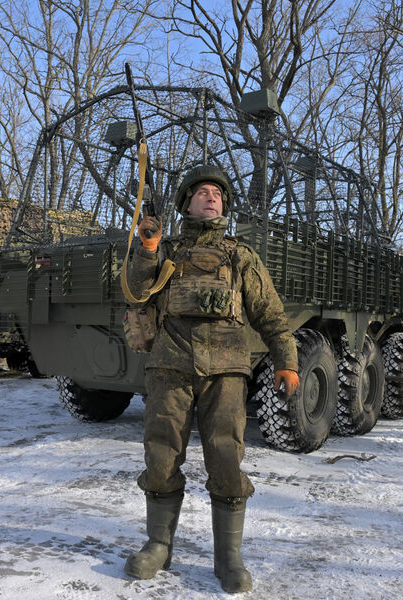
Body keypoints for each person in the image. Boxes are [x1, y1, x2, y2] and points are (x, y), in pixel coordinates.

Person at [124, 164, 300, 593]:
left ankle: (229, 558)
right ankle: (158, 545)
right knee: (161, 454)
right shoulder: (165, 250)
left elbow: (270, 313)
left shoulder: (241, 256)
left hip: (227, 371)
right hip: (170, 366)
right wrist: (147, 248)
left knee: (226, 458)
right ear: (187, 203)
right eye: (203, 192)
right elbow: (133, 290)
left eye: (218, 194)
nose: (211, 197)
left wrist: (287, 360)